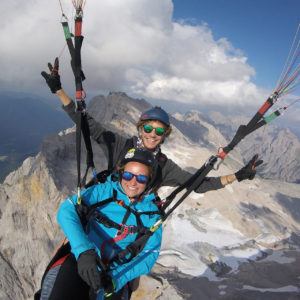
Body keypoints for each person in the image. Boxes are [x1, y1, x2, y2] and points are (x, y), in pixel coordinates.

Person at [41, 58, 262, 195]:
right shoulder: (119, 144)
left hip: (130, 220)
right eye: (148, 129)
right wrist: (58, 91)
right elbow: (85, 123)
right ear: (140, 129)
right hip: (104, 201)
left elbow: (199, 184)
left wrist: (238, 176)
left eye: (159, 131)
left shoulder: (165, 166)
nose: (153, 135)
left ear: (165, 135)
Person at [37, 148, 162, 300]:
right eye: (128, 175)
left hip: (116, 274)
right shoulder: (104, 191)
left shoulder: (152, 215)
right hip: (81, 260)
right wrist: (83, 251)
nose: (133, 182)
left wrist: (116, 279)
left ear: (150, 180)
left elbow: (149, 254)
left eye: (141, 178)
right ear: (121, 174)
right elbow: (67, 209)